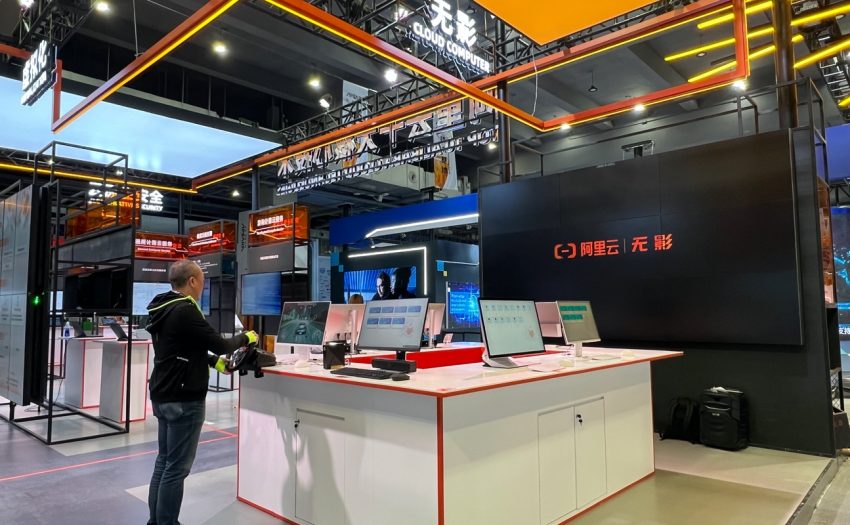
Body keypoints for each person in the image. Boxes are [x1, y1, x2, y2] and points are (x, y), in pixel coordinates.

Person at [145, 260, 258, 525]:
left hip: (163, 392)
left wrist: (215, 363)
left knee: (164, 462)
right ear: (192, 281)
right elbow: (221, 344)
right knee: (176, 469)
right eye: (202, 283)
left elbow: (181, 348)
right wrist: (248, 338)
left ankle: (156, 522)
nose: (203, 289)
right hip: (184, 398)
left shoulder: (162, 307)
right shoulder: (185, 310)